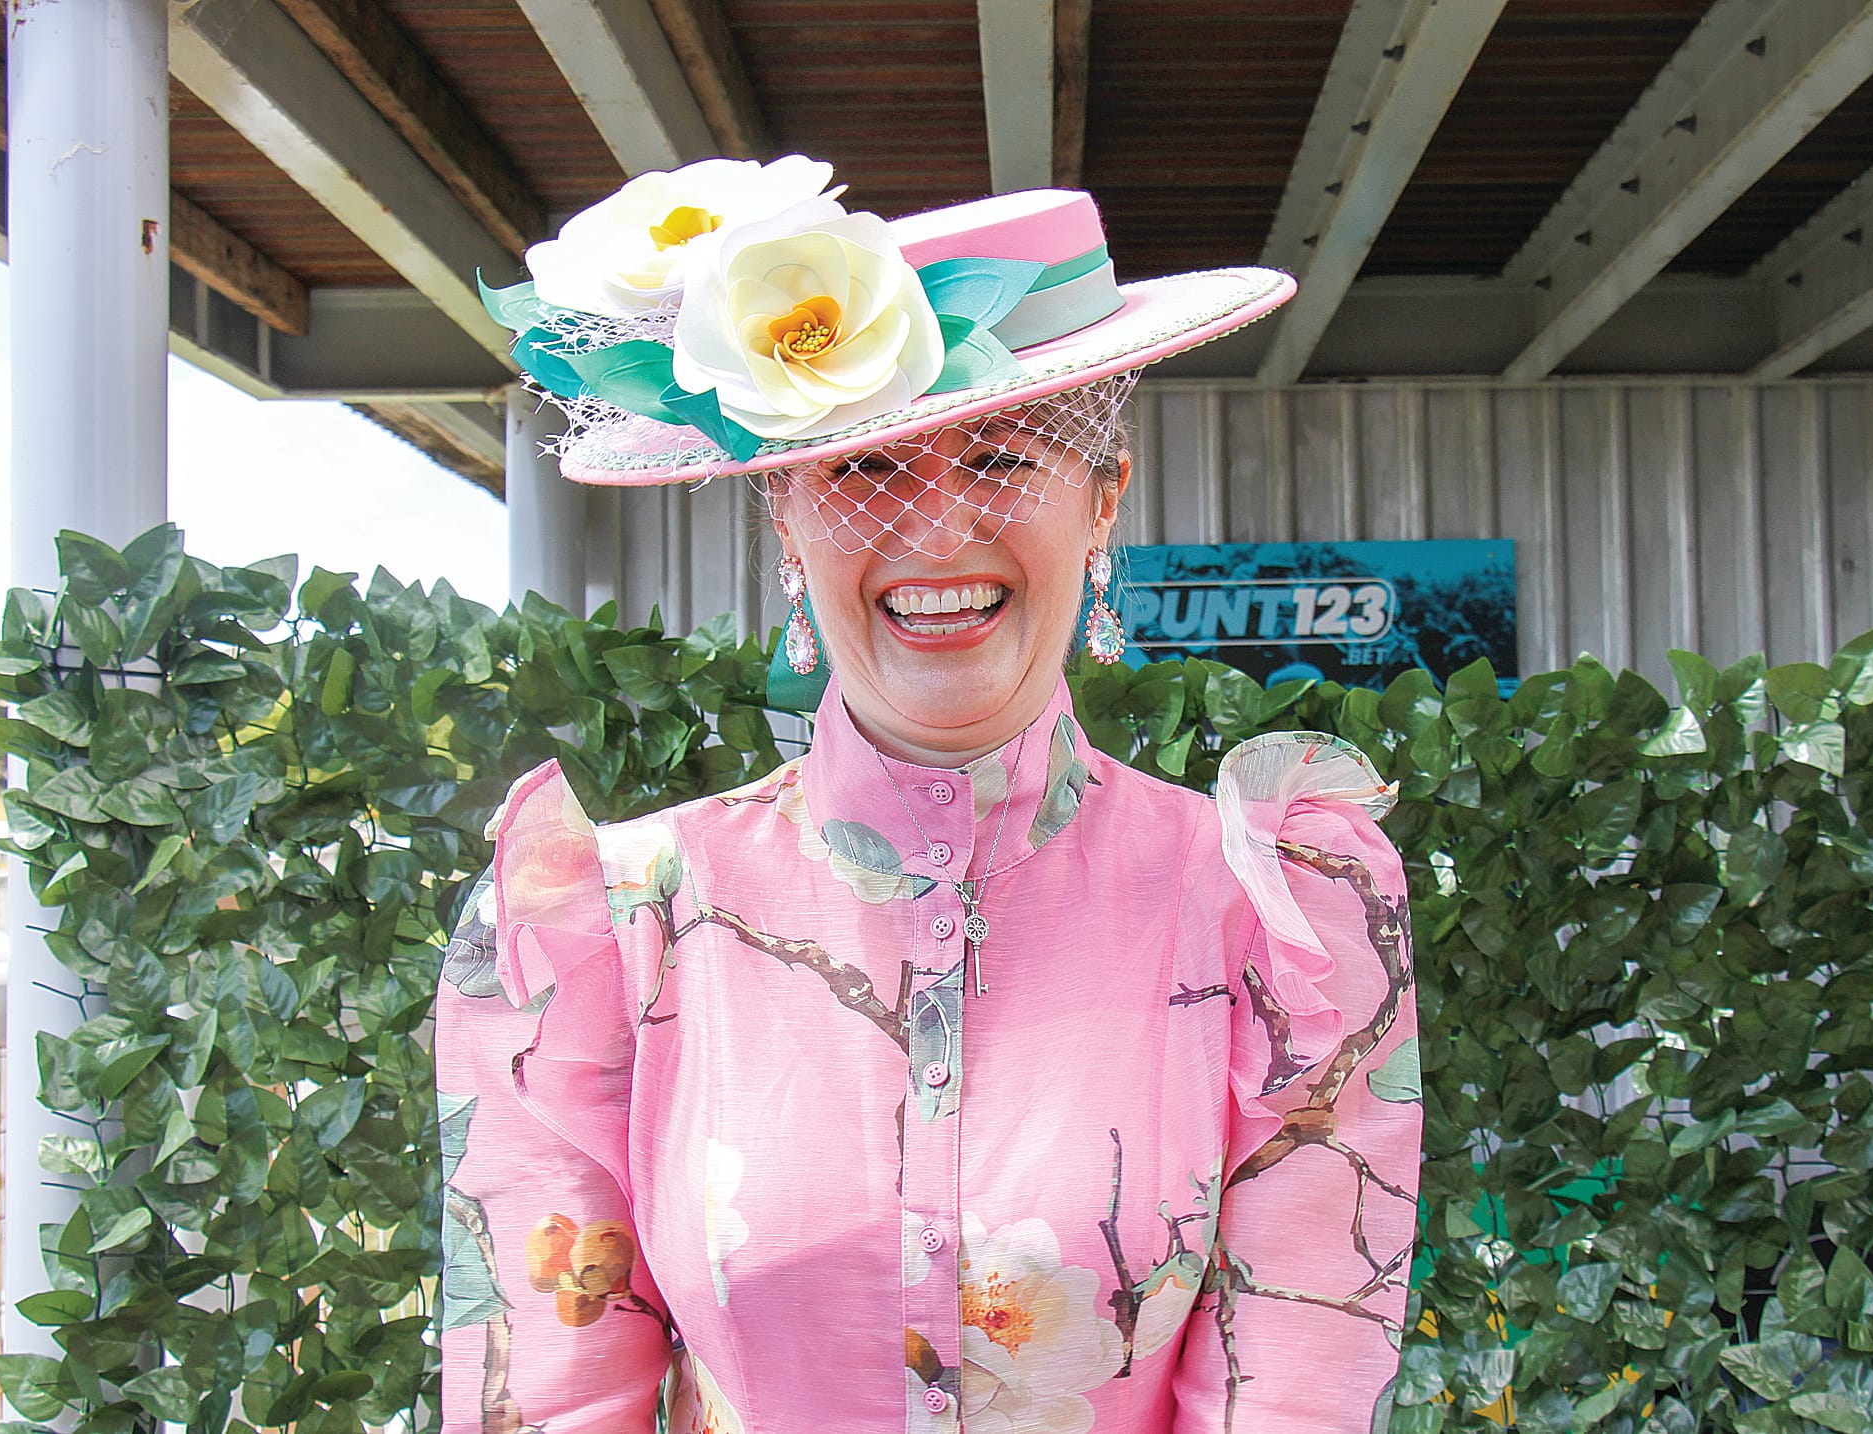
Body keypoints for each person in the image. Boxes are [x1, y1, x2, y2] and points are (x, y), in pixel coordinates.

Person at [438, 156, 1422, 1434]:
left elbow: (1294, 1392)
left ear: (1101, 500)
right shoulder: (603, 928)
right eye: (862, 474)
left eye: (1004, 456)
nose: (934, 530)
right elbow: (550, 1395)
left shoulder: (1279, 915)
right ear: (782, 520)